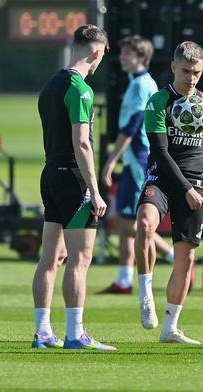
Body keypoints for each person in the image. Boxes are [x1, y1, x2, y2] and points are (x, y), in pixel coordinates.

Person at [134, 41, 203, 344]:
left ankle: (170, 328)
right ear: (173, 67)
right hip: (161, 179)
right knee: (144, 223)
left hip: (195, 185)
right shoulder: (158, 102)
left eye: (196, 72)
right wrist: (185, 189)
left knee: (185, 259)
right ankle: (145, 293)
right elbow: (160, 152)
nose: (191, 77)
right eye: (186, 71)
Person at [32, 24, 116, 350]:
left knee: (50, 258)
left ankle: (42, 333)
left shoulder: (50, 84)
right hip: (73, 178)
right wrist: (94, 189)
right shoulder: (81, 89)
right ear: (96, 52)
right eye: (102, 56)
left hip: (50, 174)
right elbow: (82, 143)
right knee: (80, 259)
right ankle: (75, 334)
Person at [98, 35, 174, 294]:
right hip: (133, 160)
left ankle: (173, 257)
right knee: (124, 221)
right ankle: (124, 280)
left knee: (133, 224)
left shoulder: (142, 85)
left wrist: (110, 162)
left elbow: (132, 127)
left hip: (139, 160)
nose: (121, 57)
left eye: (127, 53)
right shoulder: (136, 83)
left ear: (141, 57)